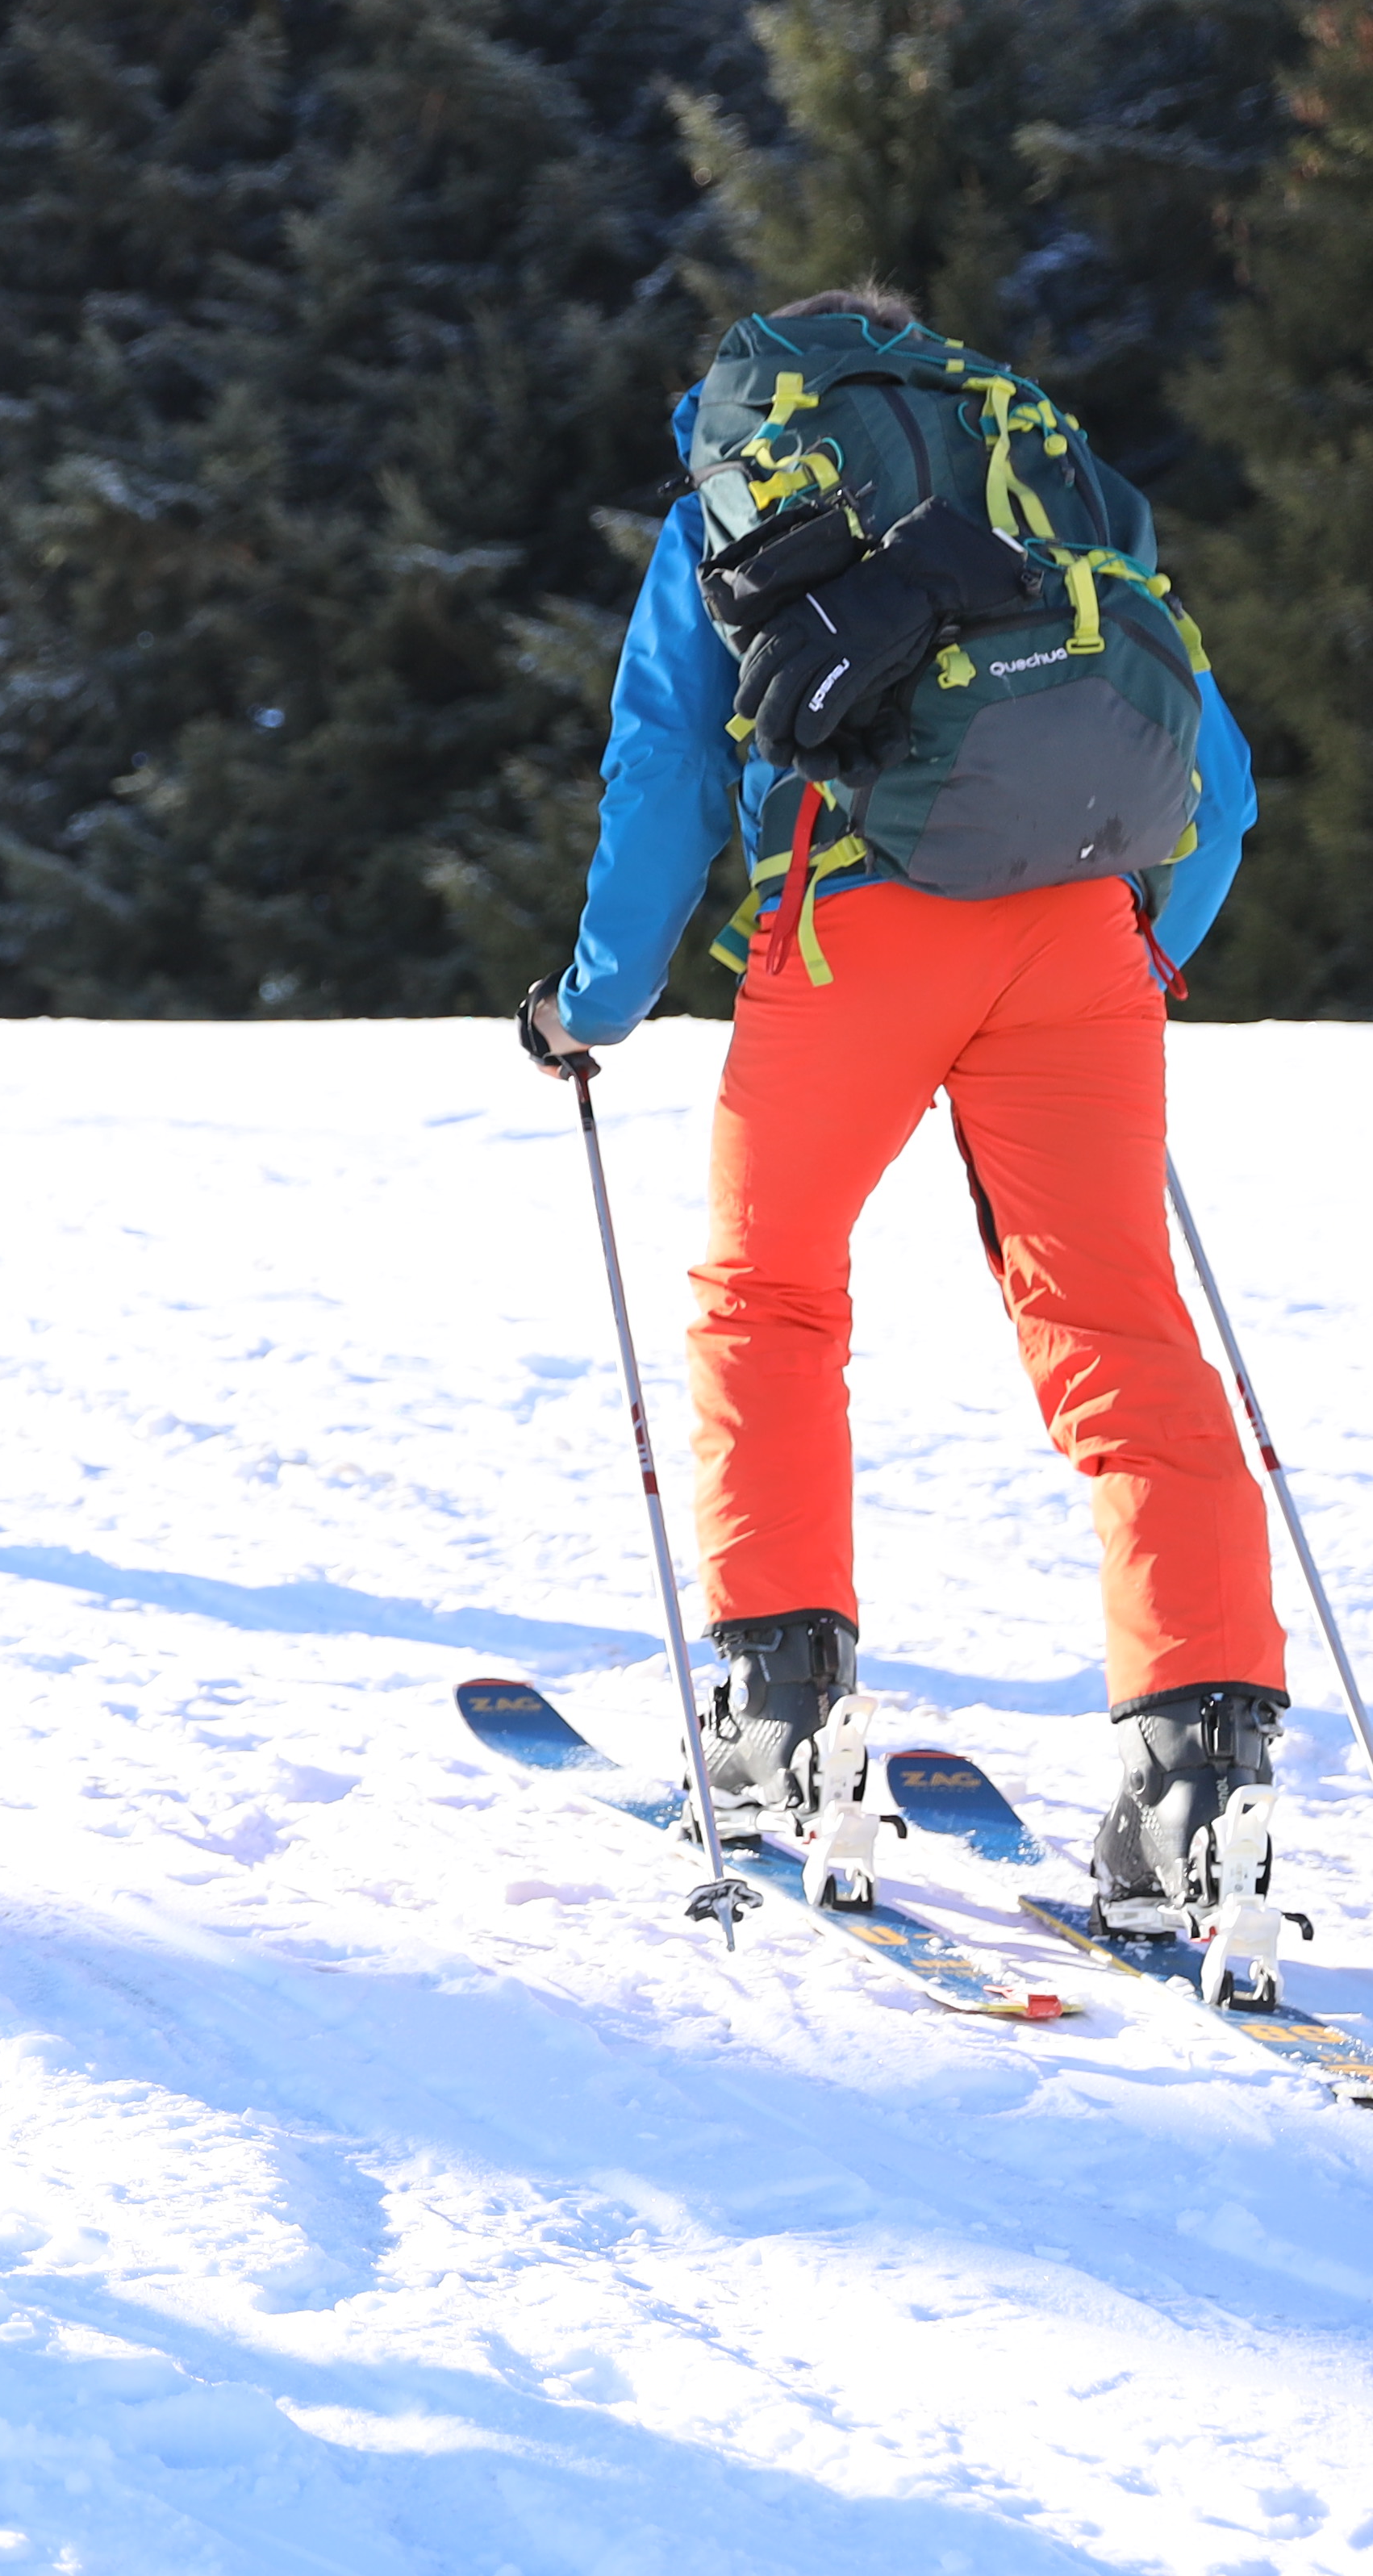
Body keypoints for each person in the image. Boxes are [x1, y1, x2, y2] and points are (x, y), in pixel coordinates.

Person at [524, 286, 1286, 1934]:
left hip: (854, 922)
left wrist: (591, 1004)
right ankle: (1201, 1782)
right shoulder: (1051, 474)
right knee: (1125, 1332)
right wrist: (1147, 954)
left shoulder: (743, 495)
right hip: (1083, 931)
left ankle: (783, 1715)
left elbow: (666, 768)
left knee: (771, 1293)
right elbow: (1215, 783)